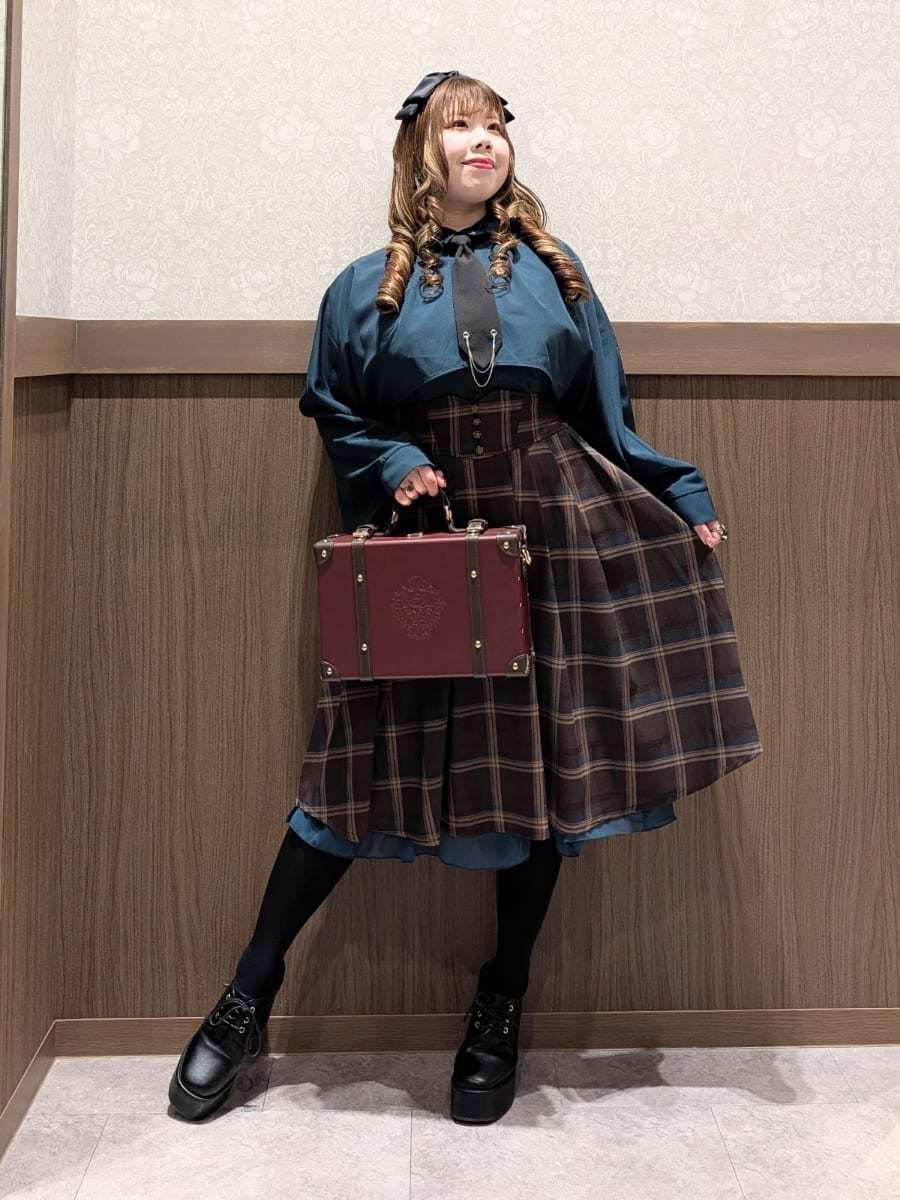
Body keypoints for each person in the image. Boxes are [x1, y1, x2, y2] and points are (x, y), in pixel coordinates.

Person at [169, 70, 763, 1127]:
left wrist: (678, 493)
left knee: (535, 781)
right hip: (424, 536)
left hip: (556, 525)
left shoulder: (557, 271)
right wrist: (396, 458)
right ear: (422, 154)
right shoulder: (363, 286)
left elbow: (606, 407)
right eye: (459, 126)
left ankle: (502, 1002)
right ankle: (249, 993)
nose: (482, 140)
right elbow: (336, 409)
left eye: (495, 125)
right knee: (350, 774)